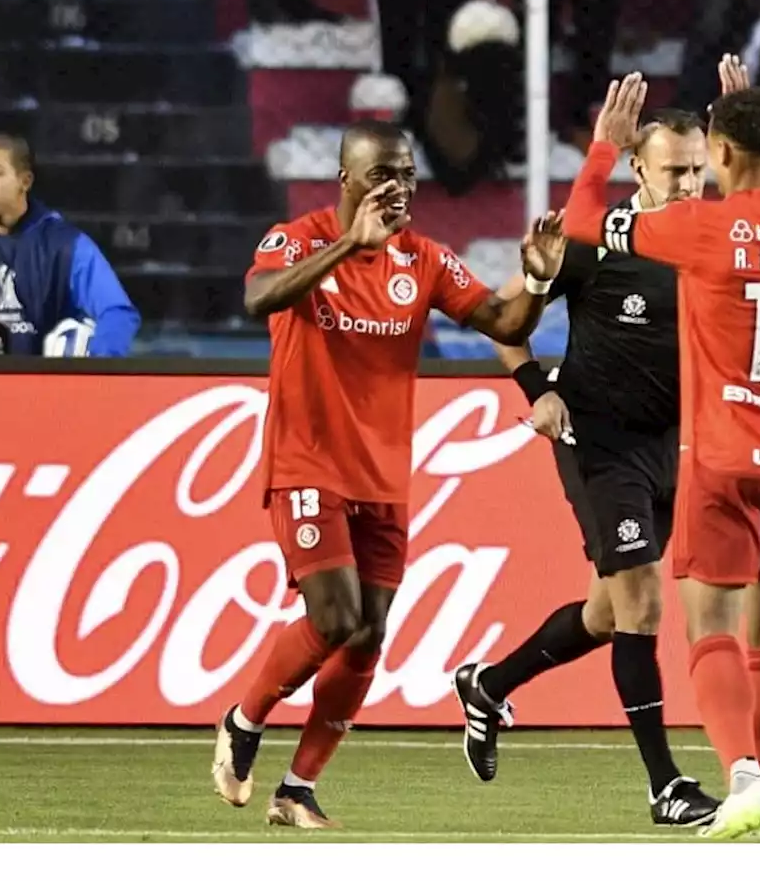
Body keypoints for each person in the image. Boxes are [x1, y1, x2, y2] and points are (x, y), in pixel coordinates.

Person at [211, 119, 565, 830]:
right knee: (335, 616)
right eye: (381, 176)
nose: (398, 189)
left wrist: (536, 277)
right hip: (307, 459)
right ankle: (244, 720)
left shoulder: (424, 258)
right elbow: (259, 299)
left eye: (406, 175)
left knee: (369, 634)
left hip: (381, 475)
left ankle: (298, 789)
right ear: (346, 180)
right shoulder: (300, 238)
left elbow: (501, 320)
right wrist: (349, 246)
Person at [561, 57, 760, 839]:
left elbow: (585, 225)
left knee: (709, 626)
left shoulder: (700, 227)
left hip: (724, 457)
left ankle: (742, 777)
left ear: (715, 154)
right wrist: (746, 116)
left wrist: (604, 150)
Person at [453, 109, 720, 827]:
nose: (692, 184)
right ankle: (666, 786)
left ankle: (488, 685)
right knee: (642, 606)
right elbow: (501, 326)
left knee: (606, 615)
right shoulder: (592, 242)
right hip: (597, 441)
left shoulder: (712, 237)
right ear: (639, 171)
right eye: (676, 171)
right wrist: (539, 393)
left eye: (700, 169)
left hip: (670, 445)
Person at [0, 134, 139, 357]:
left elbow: (116, 312)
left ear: (25, 181)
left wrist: (94, 371)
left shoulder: (66, 246)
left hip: (49, 390)